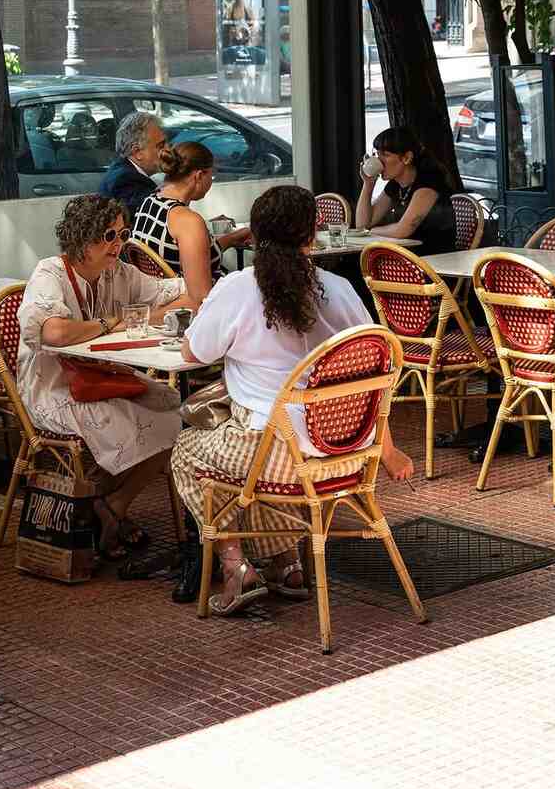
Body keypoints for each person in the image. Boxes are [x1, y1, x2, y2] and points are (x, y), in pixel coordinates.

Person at [172, 185, 413, 616]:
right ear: (312, 233)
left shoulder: (238, 288)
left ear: (253, 235)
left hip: (274, 458)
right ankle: (286, 564)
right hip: (347, 454)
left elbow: (194, 352)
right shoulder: (340, 289)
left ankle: (235, 565)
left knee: (191, 452)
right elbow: (375, 377)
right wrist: (388, 450)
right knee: (259, 450)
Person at [17, 193, 187, 558]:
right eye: (109, 235)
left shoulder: (119, 273)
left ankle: (110, 505)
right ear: (82, 237)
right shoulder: (51, 273)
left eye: (123, 234)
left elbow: (180, 292)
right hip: (55, 387)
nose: (118, 244)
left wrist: (154, 313)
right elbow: (55, 332)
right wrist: (111, 323)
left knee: (175, 409)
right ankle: (107, 508)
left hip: (106, 377)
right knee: (140, 421)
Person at [132, 141, 252, 309]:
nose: (211, 181)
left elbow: (187, 257)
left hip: (160, 297)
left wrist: (231, 239)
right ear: (199, 176)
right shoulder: (187, 222)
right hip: (192, 309)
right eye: (211, 175)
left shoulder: (149, 202)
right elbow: (201, 299)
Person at [355, 126, 457, 256]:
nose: (379, 160)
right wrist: (368, 185)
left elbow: (402, 230)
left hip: (432, 260)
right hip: (405, 256)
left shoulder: (428, 184)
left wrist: (371, 232)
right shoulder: (395, 185)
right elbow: (362, 225)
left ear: (407, 158)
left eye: (385, 155)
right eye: (377, 154)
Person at [99, 111, 167, 219]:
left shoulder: (125, 171)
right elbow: (159, 217)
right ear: (137, 152)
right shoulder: (125, 181)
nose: (167, 150)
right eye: (160, 146)